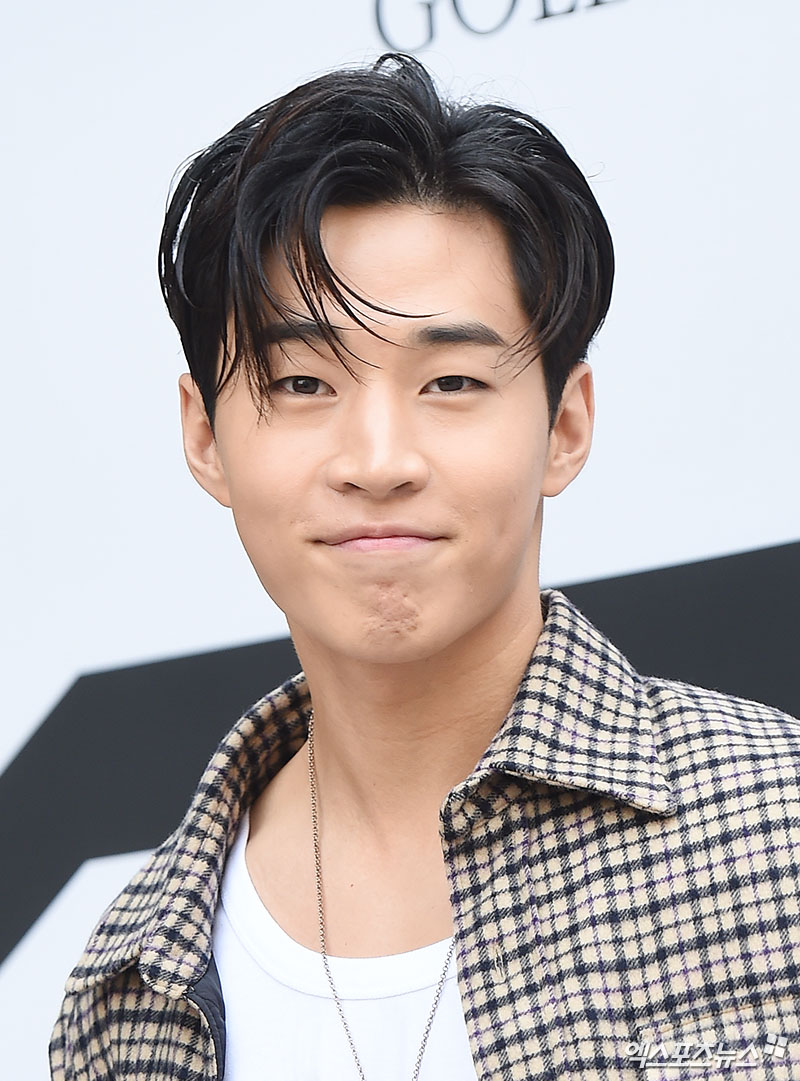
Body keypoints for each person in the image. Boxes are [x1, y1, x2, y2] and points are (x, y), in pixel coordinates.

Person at [50, 53, 800, 1081]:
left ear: (564, 424)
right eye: (303, 381)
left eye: (449, 380)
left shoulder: (775, 830)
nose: (377, 461)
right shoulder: (130, 983)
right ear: (205, 437)